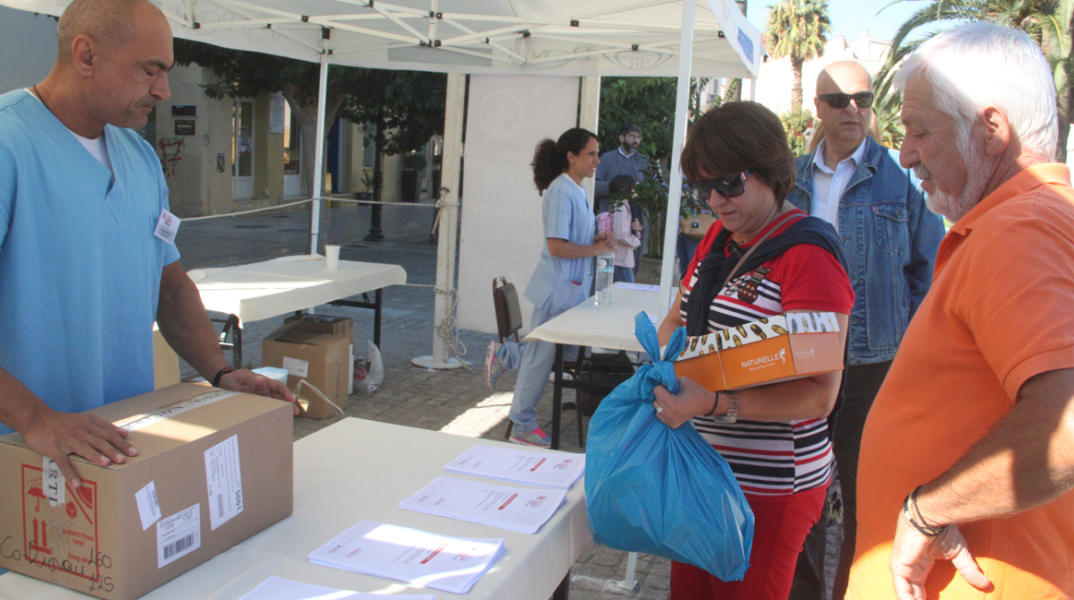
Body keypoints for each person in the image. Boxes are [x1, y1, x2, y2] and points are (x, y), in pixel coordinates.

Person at [0, 0, 295, 490]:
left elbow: (170, 284)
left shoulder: (138, 157)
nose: (162, 90)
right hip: (23, 452)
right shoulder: (10, 145)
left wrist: (220, 373)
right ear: (86, 55)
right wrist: (35, 417)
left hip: (120, 444)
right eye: (150, 71)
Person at [848, 23, 1074, 600]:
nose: (904, 154)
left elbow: (1066, 427)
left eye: (920, 132)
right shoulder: (1031, 221)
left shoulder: (1019, 228)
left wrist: (927, 510)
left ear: (992, 130)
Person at [651, 101, 855, 600]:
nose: (715, 200)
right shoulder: (722, 237)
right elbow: (675, 319)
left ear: (770, 172)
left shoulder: (808, 255)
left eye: (730, 182)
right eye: (703, 187)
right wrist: (668, 367)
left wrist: (718, 402)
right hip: (706, 467)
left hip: (770, 483)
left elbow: (819, 395)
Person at [785, 61, 945, 600]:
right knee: (799, 490)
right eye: (837, 100)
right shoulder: (794, 180)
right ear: (818, 109)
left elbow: (930, 271)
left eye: (862, 98)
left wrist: (910, 355)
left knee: (864, 497)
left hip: (874, 364)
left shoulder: (901, 179)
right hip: (800, 359)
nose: (851, 108)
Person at [483, 128, 614, 447]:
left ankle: (510, 354)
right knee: (542, 357)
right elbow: (556, 246)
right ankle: (521, 425)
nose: (597, 160)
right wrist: (595, 250)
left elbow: (573, 240)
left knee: (564, 349)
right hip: (557, 288)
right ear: (571, 156)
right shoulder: (560, 191)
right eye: (591, 154)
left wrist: (594, 242)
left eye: (597, 153)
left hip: (571, 290)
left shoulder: (579, 191)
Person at [595, 124, 650, 277]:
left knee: (630, 267)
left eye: (638, 137)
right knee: (605, 276)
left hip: (634, 218)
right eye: (632, 136)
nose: (636, 140)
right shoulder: (606, 159)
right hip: (608, 221)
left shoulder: (643, 162)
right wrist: (618, 187)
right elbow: (595, 187)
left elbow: (651, 189)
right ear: (622, 137)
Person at [599, 174, 643, 283]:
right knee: (628, 291)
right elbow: (620, 235)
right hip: (620, 258)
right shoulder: (620, 207)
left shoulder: (625, 206)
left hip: (622, 257)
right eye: (632, 187)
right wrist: (636, 241)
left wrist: (636, 230)